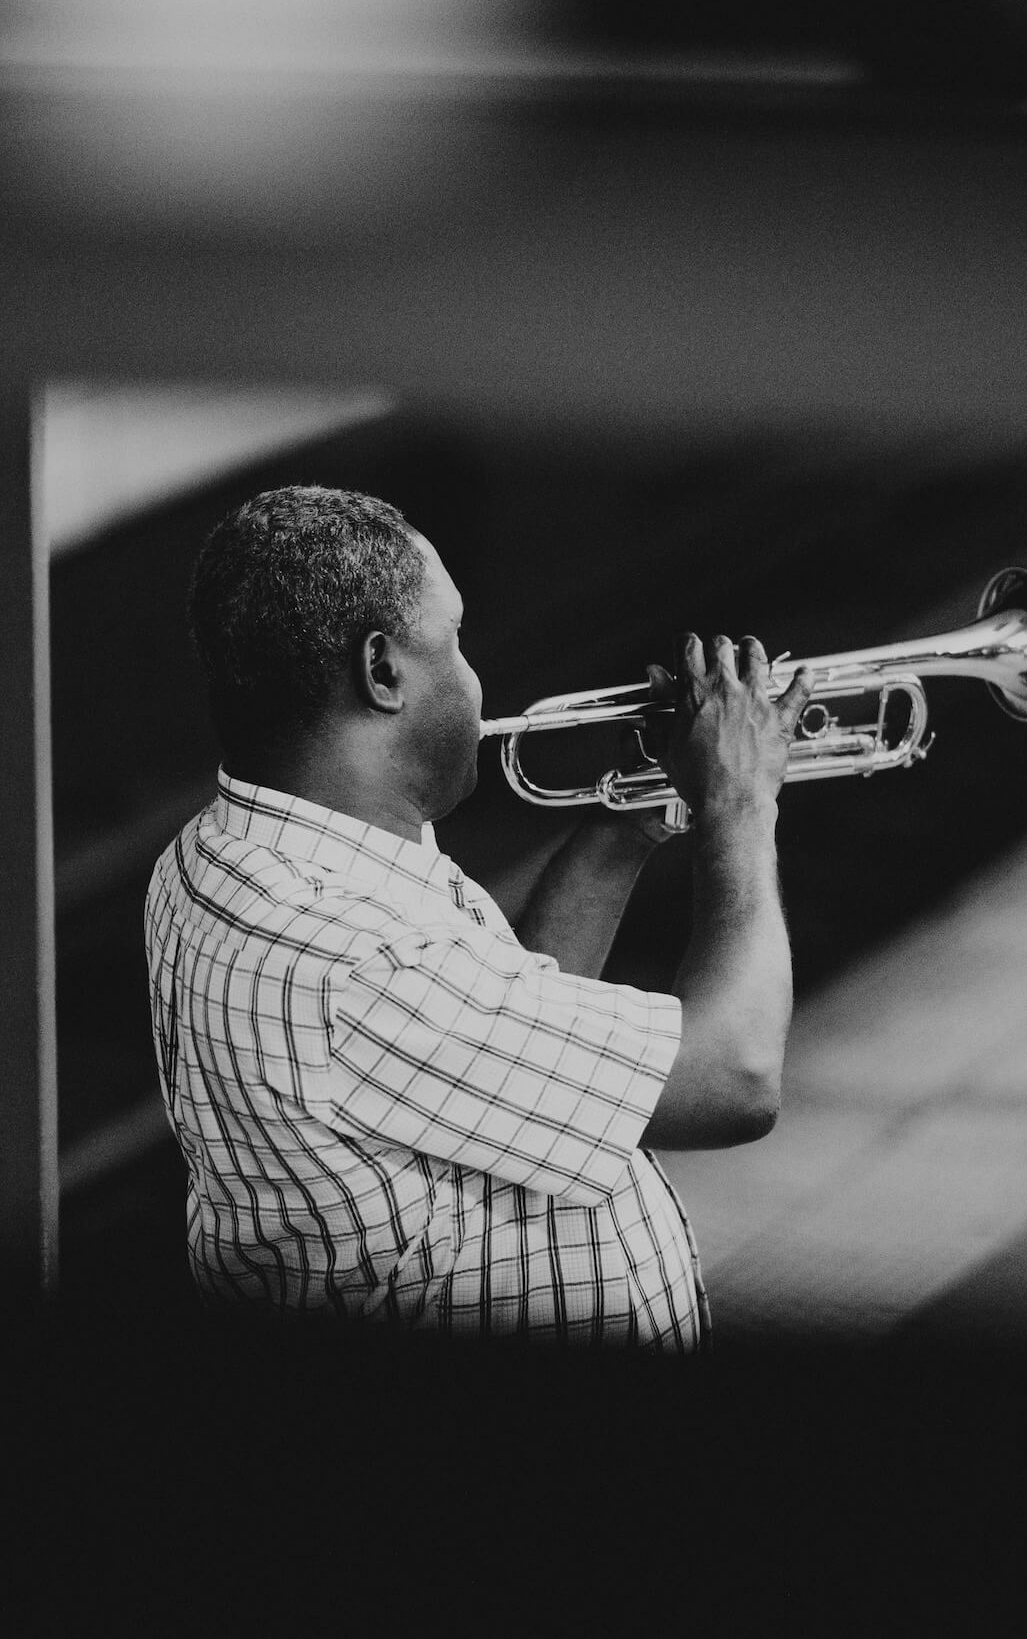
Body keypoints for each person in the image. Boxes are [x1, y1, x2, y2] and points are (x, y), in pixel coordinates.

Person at [145, 483, 810, 1352]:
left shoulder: (223, 859)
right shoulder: (354, 956)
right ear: (382, 671)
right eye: (454, 641)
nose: (473, 672)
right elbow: (737, 1077)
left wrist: (628, 823)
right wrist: (741, 803)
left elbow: (502, 1037)